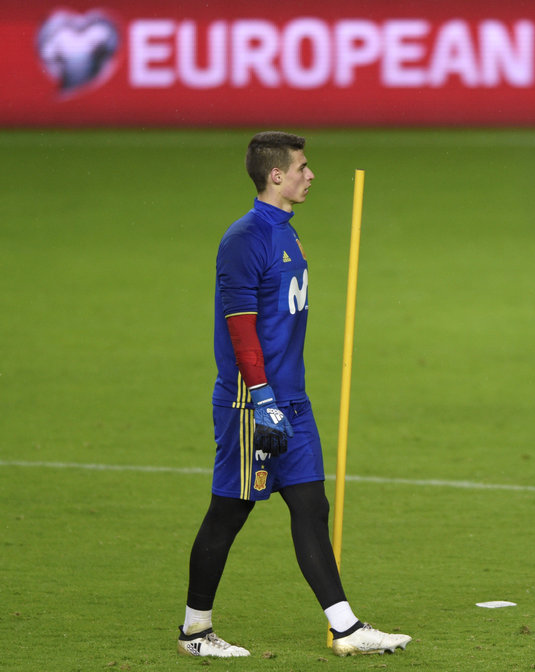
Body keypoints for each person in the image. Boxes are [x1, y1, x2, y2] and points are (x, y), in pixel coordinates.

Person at [177, 131, 411, 658]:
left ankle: (346, 628)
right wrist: (262, 399)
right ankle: (195, 631)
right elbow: (240, 326)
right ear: (275, 175)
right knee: (230, 511)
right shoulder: (246, 237)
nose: (310, 174)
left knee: (310, 504)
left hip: (292, 402)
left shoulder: (288, 232)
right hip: (251, 403)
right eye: (302, 166)